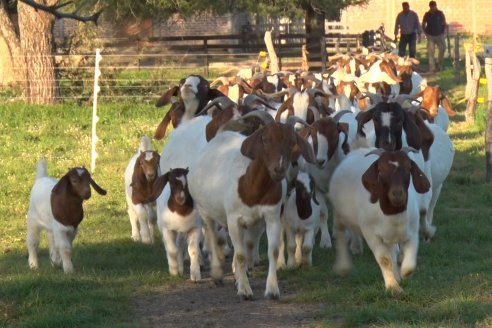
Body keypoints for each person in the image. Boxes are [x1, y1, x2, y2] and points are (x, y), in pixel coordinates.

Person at [422, 1, 447, 72]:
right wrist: (425, 33)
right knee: (431, 52)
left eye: (435, 6)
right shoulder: (427, 14)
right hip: (430, 36)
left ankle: (439, 64)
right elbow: (423, 24)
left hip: (440, 35)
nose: (434, 8)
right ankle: (432, 67)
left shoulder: (440, 13)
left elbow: (444, 22)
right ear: (430, 7)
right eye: (432, 7)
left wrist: (443, 31)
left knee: (443, 49)